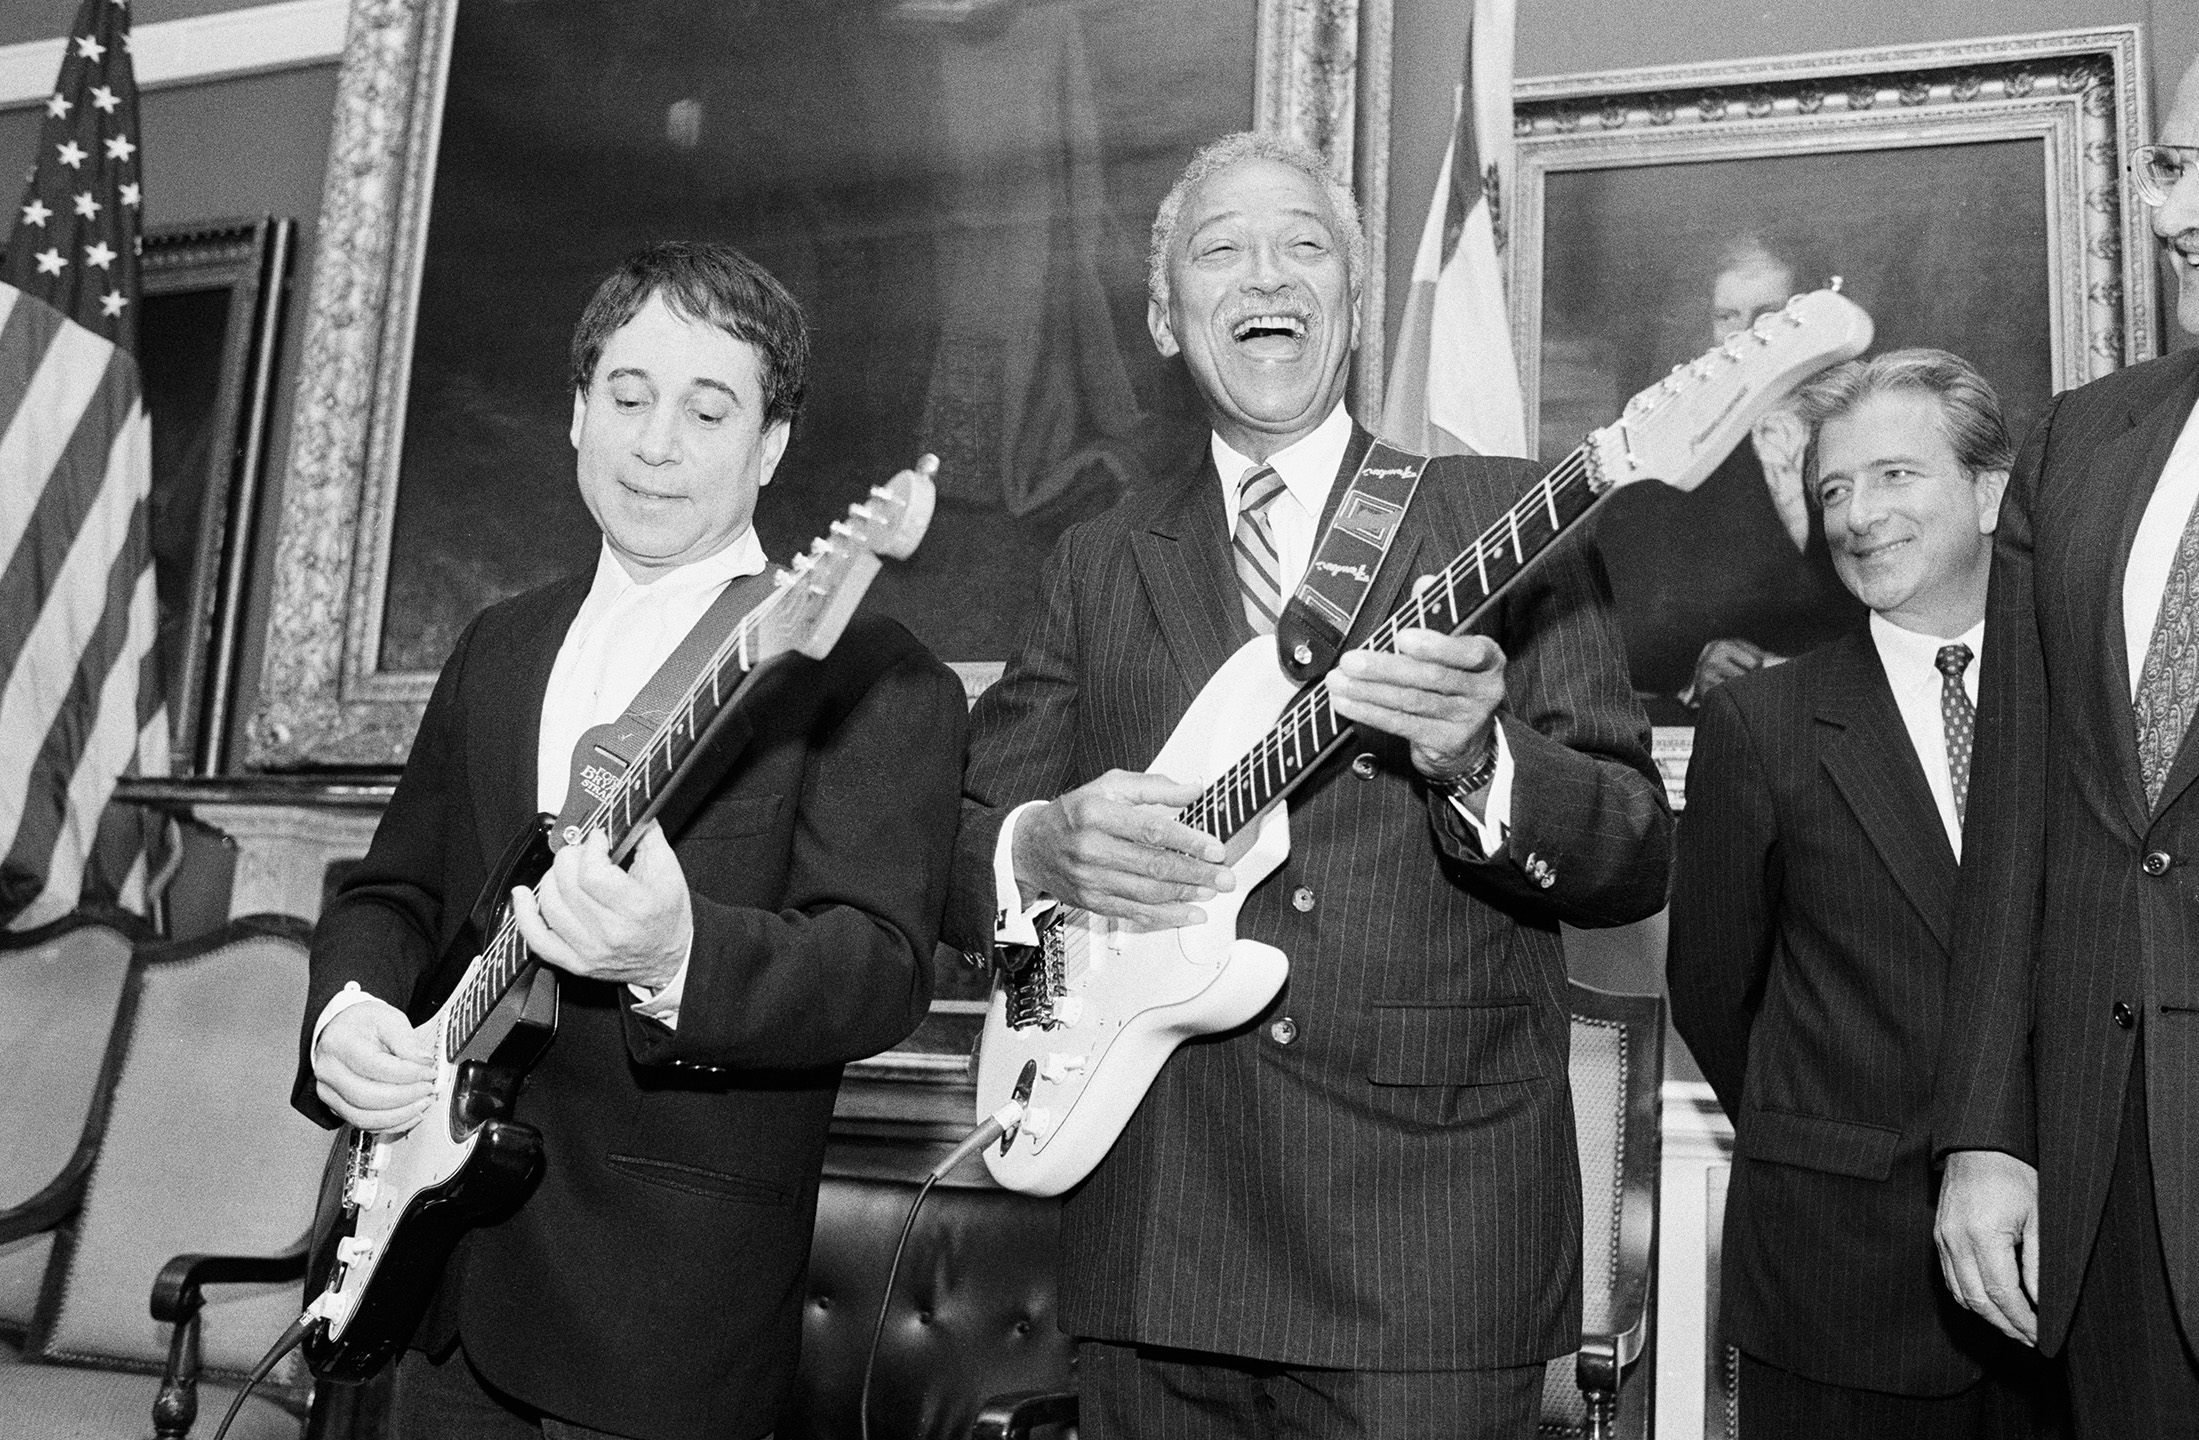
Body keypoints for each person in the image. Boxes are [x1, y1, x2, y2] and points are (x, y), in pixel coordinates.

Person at [945, 132, 1673, 1439]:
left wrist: (1479, 762)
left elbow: (1627, 844)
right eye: (1216, 250)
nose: (1262, 272)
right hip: (1153, 1244)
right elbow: (966, 850)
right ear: (1166, 320)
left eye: (1302, 244)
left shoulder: (1502, 518)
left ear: (1349, 302)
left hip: (1424, 1257)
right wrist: (1037, 854)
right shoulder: (1094, 561)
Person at [291, 241, 968, 1440]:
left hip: (657, 1330)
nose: (657, 443)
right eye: (628, 397)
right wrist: (351, 1014)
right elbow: (390, 892)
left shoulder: (870, 673)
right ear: (576, 414)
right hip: (428, 1280)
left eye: (709, 411)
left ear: (771, 447)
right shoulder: (496, 645)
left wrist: (677, 955)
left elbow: (880, 968)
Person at [1669, 349, 2065, 1436]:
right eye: (1833, 490)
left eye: (1894, 476)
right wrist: (1838, 1141)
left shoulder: (2087, 695)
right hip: (1839, 1281)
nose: (1856, 515)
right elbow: (1711, 986)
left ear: (1989, 492)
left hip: (2078, 1278)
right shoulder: (1766, 726)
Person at [1931, 54, 2199, 1437]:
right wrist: (1982, 1126)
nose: (2174, 214)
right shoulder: (2081, 441)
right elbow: (2016, 815)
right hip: (2108, 1191)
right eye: (2164, 166)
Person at [1593, 232, 1864, 722]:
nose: (1746, 334)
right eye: (1727, 317)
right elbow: (1625, 618)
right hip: (1731, 735)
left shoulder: (1865, 420)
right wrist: (1694, 666)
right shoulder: (1667, 449)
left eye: (1769, 314)